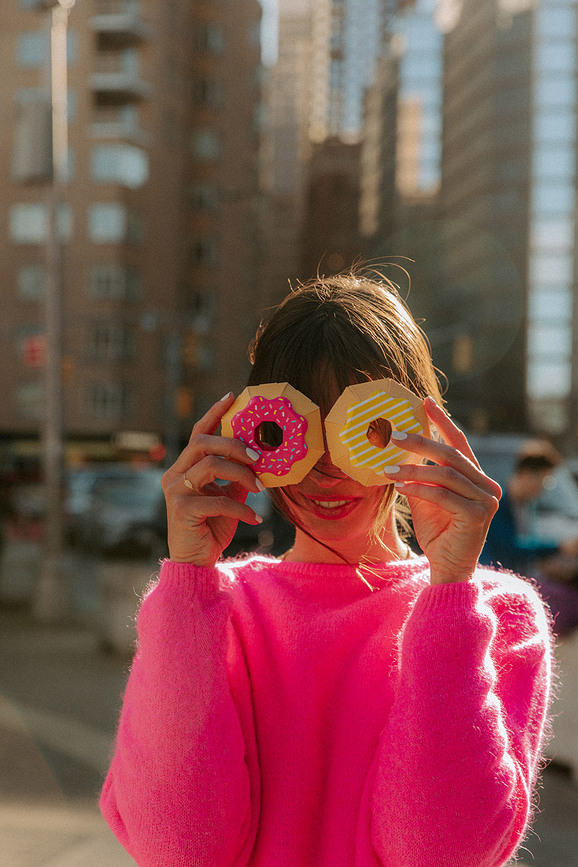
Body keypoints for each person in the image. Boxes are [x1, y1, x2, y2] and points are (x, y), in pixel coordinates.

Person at [101, 273, 553, 867]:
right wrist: (188, 579)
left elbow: (436, 853)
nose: (325, 472)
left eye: (364, 431)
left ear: (420, 429)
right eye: (294, 429)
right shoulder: (212, 611)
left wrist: (449, 591)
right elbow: (179, 850)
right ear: (250, 432)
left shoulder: (497, 616)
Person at [480, 441, 578, 636]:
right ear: (525, 475)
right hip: (493, 585)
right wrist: (559, 547)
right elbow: (512, 548)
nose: (543, 489)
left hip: (517, 581)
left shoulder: (526, 506)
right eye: (543, 482)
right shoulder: (498, 503)